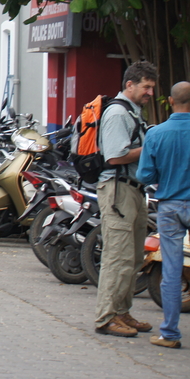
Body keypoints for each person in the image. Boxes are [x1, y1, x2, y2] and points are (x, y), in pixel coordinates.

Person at [94, 60, 157, 338]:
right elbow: (115, 156)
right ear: (129, 84)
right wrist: (151, 147)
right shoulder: (118, 114)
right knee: (117, 257)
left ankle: (122, 312)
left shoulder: (133, 113)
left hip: (133, 189)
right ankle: (106, 318)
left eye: (152, 87)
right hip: (118, 191)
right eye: (146, 87)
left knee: (132, 257)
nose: (150, 93)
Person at [138, 80, 190, 348]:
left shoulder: (157, 134)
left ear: (170, 102)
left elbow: (144, 174)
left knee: (171, 269)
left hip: (169, 205)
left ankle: (169, 334)